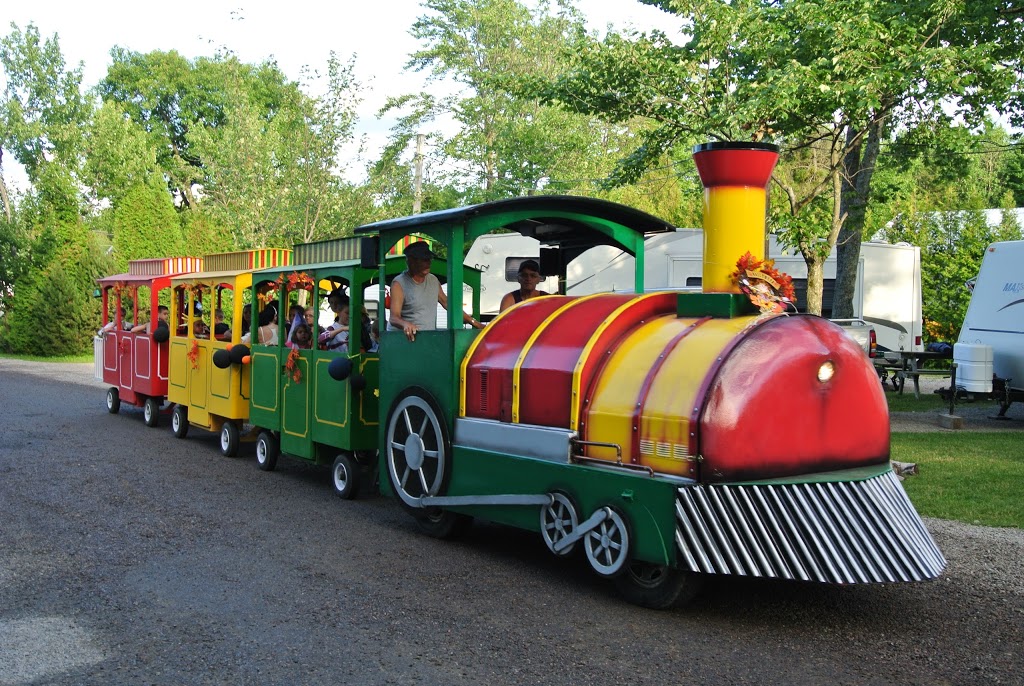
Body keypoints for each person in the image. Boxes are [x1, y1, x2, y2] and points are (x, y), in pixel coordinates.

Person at [388, 240, 484, 341]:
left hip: (426, 339)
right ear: (411, 261)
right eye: (424, 260)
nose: (429, 263)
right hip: (402, 341)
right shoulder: (398, 284)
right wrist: (405, 324)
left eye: (430, 259)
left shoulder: (433, 280)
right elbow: (394, 318)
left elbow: (448, 304)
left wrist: (475, 323)